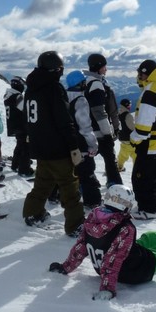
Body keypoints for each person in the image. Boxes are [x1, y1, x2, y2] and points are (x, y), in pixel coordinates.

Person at [22, 51, 84, 236]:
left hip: (39, 146)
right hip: (57, 148)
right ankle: (76, 225)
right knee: (69, 187)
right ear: (56, 68)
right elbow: (64, 120)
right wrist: (73, 146)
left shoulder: (31, 88)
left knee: (43, 182)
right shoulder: (54, 88)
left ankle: (32, 213)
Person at [130, 59, 156, 219]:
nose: (138, 76)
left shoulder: (150, 92)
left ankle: (148, 209)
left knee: (141, 178)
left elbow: (144, 123)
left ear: (146, 73)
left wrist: (135, 138)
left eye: (140, 73)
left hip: (150, 143)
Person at [66, 69, 102, 209]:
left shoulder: (64, 97)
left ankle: (58, 195)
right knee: (87, 171)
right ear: (80, 83)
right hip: (81, 143)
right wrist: (93, 144)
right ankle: (92, 200)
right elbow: (85, 126)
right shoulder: (80, 100)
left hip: (69, 142)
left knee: (71, 172)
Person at [85, 53, 122, 187]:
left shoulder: (87, 82)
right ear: (99, 67)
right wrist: (108, 132)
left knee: (87, 161)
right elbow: (99, 111)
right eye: (105, 66)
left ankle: (85, 185)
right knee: (110, 161)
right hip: (99, 131)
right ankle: (115, 186)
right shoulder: (97, 85)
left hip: (88, 130)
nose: (106, 69)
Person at [3, 76, 34, 176]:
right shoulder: (17, 96)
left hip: (13, 125)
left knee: (20, 145)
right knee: (26, 147)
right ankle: (24, 169)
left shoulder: (8, 95)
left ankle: (15, 164)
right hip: (21, 125)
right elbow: (25, 110)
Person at [117, 98, 135, 172]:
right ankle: (137, 169)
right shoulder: (128, 115)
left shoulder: (119, 114)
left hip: (123, 138)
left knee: (122, 155)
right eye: (129, 105)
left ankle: (119, 166)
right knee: (135, 155)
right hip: (130, 139)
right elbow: (132, 127)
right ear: (126, 105)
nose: (130, 106)